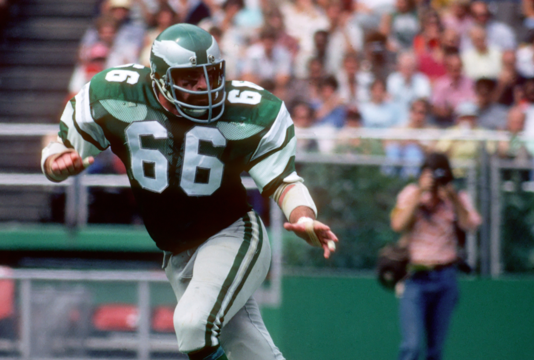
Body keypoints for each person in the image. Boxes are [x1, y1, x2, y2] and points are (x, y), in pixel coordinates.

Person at [41, 24, 338, 360]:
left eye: (210, 74)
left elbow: (284, 180)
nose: (205, 86)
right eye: (189, 79)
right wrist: (55, 162)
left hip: (231, 233)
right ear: (160, 80)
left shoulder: (248, 110)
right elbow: (59, 147)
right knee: (247, 346)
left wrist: (304, 216)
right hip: (176, 250)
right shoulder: (115, 94)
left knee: (193, 323)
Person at [390, 152, 481, 360]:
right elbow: (398, 225)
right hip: (415, 277)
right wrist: (420, 193)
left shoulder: (458, 198)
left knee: (435, 349)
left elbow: (470, 225)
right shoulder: (411, 193)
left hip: (445, 277)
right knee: (411, 347)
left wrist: (453, 197)